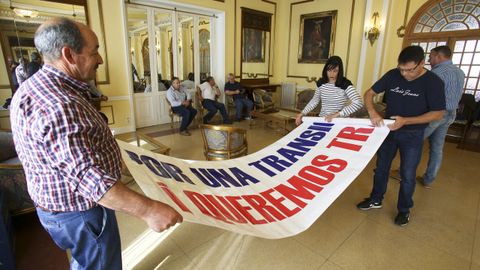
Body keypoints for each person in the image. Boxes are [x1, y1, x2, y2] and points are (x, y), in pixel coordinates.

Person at [10, 18, 182, 269]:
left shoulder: (32, 88)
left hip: (53, 207)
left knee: (85, 262)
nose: (100, 60)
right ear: (69, 54)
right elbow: (88, 178)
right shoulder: (59, 104)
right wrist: (148, 210)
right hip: (79, 213)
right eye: (94, 51)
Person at [356, 45, 446, 226]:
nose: (404, 74)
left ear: (422, 63)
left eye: (409, 70)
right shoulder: (392, 74)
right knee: (381, 168)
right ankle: (375, 199)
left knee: (408, 174)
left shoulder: (433, 82)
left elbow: (438, 114)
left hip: (412, 134)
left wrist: (406, 121)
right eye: (401, 69)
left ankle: (404, 210)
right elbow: (369, 93)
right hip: (388, 131)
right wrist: (373, 112)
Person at [390, 46, 465, 188]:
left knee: (413, 142)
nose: (429, 60)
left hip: (435, 115)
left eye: (431, 56)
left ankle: (403, 173)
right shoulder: (460, 72)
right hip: (451, 113)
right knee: (437, 148)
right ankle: (429, 179)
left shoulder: (435, 74)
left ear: (438, 56)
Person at [295, 56, 363, 125]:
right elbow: (314, 101)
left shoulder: (345, 84)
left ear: (340, 71)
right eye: (329, 70)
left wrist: (337, 114)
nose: (331, 74)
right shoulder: (321, 83)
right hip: (323, 119)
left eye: (335, 71)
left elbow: (358, 102)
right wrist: (302, 113)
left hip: (339, 122)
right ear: (325, 70)